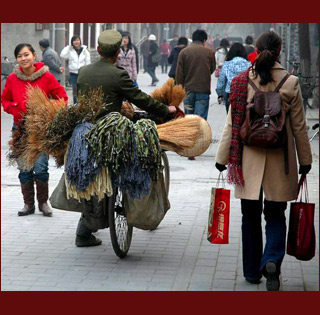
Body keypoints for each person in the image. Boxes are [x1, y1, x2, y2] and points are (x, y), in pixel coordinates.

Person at [215, 31, 312, 291]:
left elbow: (231, 124)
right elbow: (300, 127)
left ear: (256, 50)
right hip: (281, 161)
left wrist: (221, 158)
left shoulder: (241, 80)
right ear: (279, 51)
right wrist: (306, 161)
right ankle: (271, 261)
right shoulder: (291, 82)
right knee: (276, 215)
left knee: (249, 215)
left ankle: (250, 272)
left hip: (248, 159)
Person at [75, 29, 177, 247]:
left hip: (85, 133)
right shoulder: (119, 74)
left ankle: (84, 230)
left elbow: (80, 101)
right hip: (112, 133)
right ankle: (135, 211)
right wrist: (165, 110)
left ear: (99, 50)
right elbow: (140, 99)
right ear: (117, 53)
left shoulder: (83, 72)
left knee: (92, 180)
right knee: (128, 168)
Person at [1, 43, 68, 217]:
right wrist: (15, 108)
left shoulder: (46, 77)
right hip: (20, 129)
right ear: (17, 59)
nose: (23, 59)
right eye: (20, 56)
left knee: (41, 167)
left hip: (39, 131)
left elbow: (62, 97)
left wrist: (48, 110)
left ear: (34, 55)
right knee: (24, 168)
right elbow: (5, 100)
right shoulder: (12, 79)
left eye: (26, 55)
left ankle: (43, 203)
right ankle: (28, 204)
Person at [175, 29, 215, 161]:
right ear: (204, 40)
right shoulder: (209, 52)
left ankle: (189, 147)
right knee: (200, 120)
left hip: (188, 91)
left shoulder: (184, 52)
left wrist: (178, 90)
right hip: (203, 90)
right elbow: (212, 69)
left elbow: (179, 74)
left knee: (189, 118)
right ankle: (196, 147)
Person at [216, 42, 251, 113]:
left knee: (230, 118)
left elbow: (221, 80)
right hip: (245, 94)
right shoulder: (249, 64)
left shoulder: (227, 64)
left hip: (230, 93)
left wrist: (220, 94)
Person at [60, 35, 91, 104]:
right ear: (72, 42)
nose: (76, 42)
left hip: (82, 73)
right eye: (74, 40)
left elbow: (88, 62)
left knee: (82, 89)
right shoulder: (70, 50)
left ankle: (82, 104)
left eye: (78, 40)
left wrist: (87, 72)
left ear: (80, 41)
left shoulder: (85, 50)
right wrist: (68, 47)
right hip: (73, 73)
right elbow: (62, 55)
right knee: (74, 90)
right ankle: (76, 104)